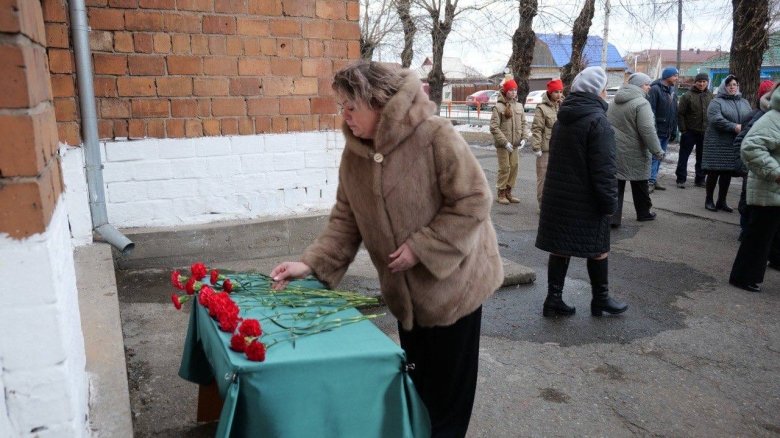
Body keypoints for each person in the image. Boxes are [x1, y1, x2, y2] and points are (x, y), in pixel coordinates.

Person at [269, 61, 503, 437]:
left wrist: (422, 247)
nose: (345, 116)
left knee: (446, 403)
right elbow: (346, 219)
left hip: (454, 289)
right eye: (341, 107)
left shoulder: (434, 135)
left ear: (379, 102)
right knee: (415, 387)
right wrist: (310, 264)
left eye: (351, 107)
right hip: (406, 295)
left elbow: (473, 199)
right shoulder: (355, 155)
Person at [536, 66, 628, 318]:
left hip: (560, 198)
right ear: (597, 90)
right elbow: (605, 170)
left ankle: (553, 299)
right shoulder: (598, 122)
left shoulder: (562, 119)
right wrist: (610, 204)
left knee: (561, 246)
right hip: (586, 200)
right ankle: (600, 300)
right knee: (599, 249)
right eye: (604, 88)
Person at [728, 84, 780, 293]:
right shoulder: (774, 118)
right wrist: (776, 173)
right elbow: (750, 147)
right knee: (759, 236)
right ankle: (743, 276)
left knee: (772, 233)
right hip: (769, 188)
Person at [607, 72, 665, 227]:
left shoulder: (615, 101)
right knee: (640, 183)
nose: (649, 87)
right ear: (639, 85)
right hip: (635, 150)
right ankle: (643, 213)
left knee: (617, 184)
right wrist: (657, 150)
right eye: (647, 84)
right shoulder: (641, 103)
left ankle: (613, 217)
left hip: (615, 148)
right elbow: (647, 129)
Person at [701, 75, 752, 212]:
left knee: (727, 172)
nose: (732, 87)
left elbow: (749, 118)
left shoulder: (744, 102)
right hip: (716, 142)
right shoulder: (716, 102)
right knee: (714, 171)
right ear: (724, 86)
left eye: (734, 84)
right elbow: (715, 119)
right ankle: (709, 200)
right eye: (729, 85)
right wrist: (734, 127)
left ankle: (721, 201)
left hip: (733, 143)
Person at [734, 79, 775, 240]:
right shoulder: (758, 117)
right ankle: (746, 232)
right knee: (748, 201)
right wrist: (743, 166)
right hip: (754, 169)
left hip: (761, 170)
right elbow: (742, 143)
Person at [490, 76, 528, 205]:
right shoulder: (498, 107)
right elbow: (494, 127)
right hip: (503, 145)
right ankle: (501, 192)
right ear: (505, 91)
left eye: (515, 90)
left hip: (515, 144)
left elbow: (524, 123)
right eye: (511, 90)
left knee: (514, 167)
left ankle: (508, 192)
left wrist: (524, 137)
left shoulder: (519, 106)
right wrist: (504, 142)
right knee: (505, 168)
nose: (513, 92)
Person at [675, 72, 713, 188]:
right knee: (684, 156)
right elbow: (680, 114)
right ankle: (681, 179)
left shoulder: (710, 96)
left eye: (704, 82)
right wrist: (683, 130)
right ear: (695, 82)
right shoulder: (687, 96)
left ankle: (700, 179)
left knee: (702, 157)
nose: (701, 84)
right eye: (699, 81)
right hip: (689, 132)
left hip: (705, 132)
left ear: (707, 82)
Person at [531, 78, 563, 209]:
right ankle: (542, 204)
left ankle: (554, 203)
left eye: (560, 91)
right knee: (543, 178)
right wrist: (536, 147)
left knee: (558, 178)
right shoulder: (542, 108)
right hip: (545, 148)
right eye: (556, 92)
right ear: (550, 93)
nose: (559, 95)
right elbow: (537, 128)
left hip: (560, 148)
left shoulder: (563, 106)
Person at [647, 66, 679, 192]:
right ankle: (650, 181)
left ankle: (653, 178)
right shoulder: (655, 89)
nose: (676, 78)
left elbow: (674, 111)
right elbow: (651, 110)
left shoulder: (672, 90)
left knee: (661, 156)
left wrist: (674, 130)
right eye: (675, 76)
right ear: (667, 76)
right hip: (658, 129)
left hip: (667, 130)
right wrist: (653, 128)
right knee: (654, 155)